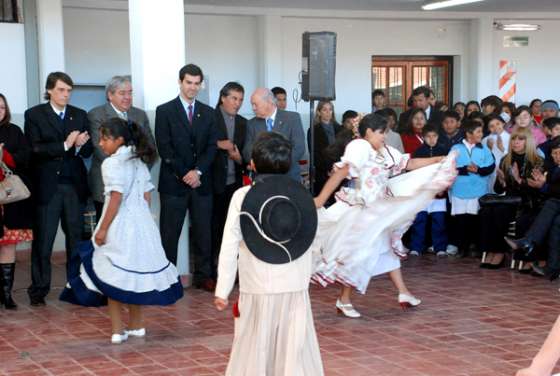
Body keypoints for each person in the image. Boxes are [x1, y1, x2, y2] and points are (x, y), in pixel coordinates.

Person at [311, 114, 456, 317]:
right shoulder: (360, 146)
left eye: (386, 132)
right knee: (357, 254)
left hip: (377, 209)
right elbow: (342, 172)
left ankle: (402, 293)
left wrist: (437, 160)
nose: (385, 137)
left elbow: (409, 164)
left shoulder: (385, 151)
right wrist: (320, 198)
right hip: (361, 209)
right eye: (382, 132)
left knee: (384, 249)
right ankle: (344, 300)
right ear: (369, 132)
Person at [60, 118, 183, 344]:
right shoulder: (137, 160)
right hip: (143, 224)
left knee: (113, 276)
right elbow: (146, 195)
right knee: (133, 274)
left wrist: (103, 228)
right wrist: (142, 219)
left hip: (120, 224)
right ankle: (137, 326)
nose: (100, 143)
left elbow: (115, 198)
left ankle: (117, 330)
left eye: (105, 138)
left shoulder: (112, 163)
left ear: (119, 140)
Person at [214, 132, 324, 375]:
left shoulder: (242, 197)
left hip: (257, 282)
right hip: (295, 282)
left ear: (252, 164)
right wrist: (308, 271)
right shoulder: (303, 196)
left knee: (255, 345)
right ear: (289, 164)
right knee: (294, 348)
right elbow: (314, 239)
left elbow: (230, 244)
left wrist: (223, 289)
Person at [24, 72, 93, 306]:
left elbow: (87, 151)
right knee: (44, 241)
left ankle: (75, 286)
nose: (66, 94)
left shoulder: (79, 115)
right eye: (62, 90)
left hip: (74, 186)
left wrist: (81, 145)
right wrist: (65, 144)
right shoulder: (34, 114)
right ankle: (39, 290)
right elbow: (35, 148)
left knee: (75, 239)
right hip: (48, 188)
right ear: (50, 90)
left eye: (69, 91)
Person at [155, 64, 219, 291]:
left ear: (201, 85)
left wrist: (198, 171)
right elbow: (165, 148)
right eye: (188, 82)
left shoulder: (209, 112)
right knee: (169, 233)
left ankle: (203, 276)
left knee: (203, 232)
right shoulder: (164, 111)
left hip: (201, 183)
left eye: (196, 83)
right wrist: (185, 174)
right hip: (174, 183)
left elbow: (212, 147)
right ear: (180, 82)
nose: (192, 87)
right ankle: (168, 278)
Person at [88, 75, 155, 221]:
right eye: (122, 93)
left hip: (137, 185)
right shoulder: (97, 114)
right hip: (107, 185)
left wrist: (138, 172)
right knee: (108, 229)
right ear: (110, 95)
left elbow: (150, 148)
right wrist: (129, 170)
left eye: (130, 92)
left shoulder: (140, 115)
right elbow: (101, 149)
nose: (127, 97)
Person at [480, 127, 543, 269]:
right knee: (486, 212)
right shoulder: (505, 159)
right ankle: (492, 250)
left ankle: (500, 253)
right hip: (509, 200)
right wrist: (502, 181)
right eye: (514, 138)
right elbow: (498, 189)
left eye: (520, 139)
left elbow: (537, 190)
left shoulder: (536, 160)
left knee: (500, 211)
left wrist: (519, 179)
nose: (516, 142)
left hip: (527, 202)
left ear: (528, 141)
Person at [0, 94, 33, 309]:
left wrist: (5, 155)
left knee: (8, 245)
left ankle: (6, 295)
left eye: (2, 107)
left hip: (10, 198)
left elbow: (26, 156)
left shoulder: (14, 131)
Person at [211, 82, 247, 280]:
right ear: (223, 97)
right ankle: (215, 271)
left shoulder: (243, 122)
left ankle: (233, 271)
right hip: (214, 182)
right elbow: (201, 143)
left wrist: (238, 158)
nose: (237, 103)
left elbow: (245, 154)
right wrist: (219, 144)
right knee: (214, 227)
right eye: (234, 98)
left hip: (235, 183)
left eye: (240, 99)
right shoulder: (210, 117)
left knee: (233, 228)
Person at [449, 119, 495, 257]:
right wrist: (465, 168)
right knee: (461, 220)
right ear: (469, 134)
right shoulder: (456, 148)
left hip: (478, 191)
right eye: (478, 131)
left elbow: (490, 167)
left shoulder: (484, 149)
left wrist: (478, 170)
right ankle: (462, 247)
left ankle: (475, 246)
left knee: (475, 219)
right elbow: (449, 167)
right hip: (459, 190)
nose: (481, 134)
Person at [243, 88, 305, 182]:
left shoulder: (292, 118)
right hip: (262, 181)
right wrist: (266, 168)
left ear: (269, 102)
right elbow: (247, 152)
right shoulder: (251, 124)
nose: (253, 108)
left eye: (255, 104)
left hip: (289, 178)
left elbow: (299, 148)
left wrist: (277, 167)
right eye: (252, 104)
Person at [408, 125, 449, 257]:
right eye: (428, 137)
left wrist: (443, 187)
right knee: (419, 220)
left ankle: (440, 247)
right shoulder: (418, 152)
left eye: (434, 136)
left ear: (438, 137)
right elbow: (413, 172)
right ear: (423, 137)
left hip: (438, 192)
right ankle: (416, 247)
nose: (431, 139)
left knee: (439, 221)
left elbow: (448, 171)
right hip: (422, 192)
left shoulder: (444, 151)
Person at [307, 100, 342, 195]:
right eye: (324, 110)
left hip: (340, 171)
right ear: (319, 112)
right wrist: (328, 169)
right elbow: (314, 153)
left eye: (330, 110)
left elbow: (343, 150)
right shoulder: (313, 130)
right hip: (323, 172)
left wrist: (338, 167)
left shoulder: (340, 128)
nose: (328, 113)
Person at [482, 114, 510, 192]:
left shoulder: (511, 138)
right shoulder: (485, 140)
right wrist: (489, 149)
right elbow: (482, 159)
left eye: (498, 124)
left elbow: (513, 157)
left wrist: (502, 149)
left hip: (505, 171)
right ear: (488, 128)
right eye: (492, 126)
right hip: (491, 172)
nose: (496, 127)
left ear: (503, 123)